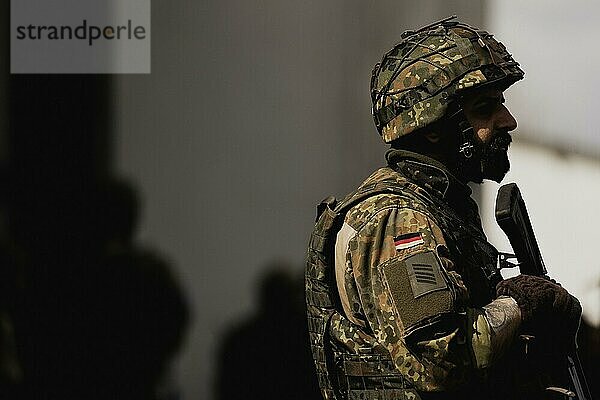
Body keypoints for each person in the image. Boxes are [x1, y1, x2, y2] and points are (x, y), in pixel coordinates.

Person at [305, 16, 582, 400]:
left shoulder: (440, 207)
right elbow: (442, 359)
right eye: (484, 109)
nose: (508, 120)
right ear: (434, 126)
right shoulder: (398, 219)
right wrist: (522, 303)